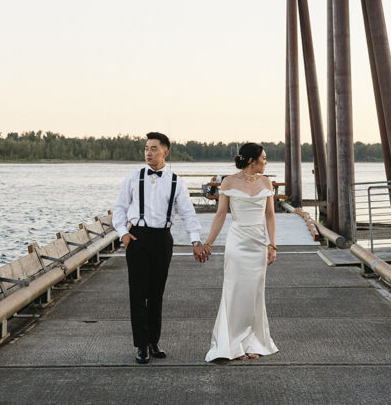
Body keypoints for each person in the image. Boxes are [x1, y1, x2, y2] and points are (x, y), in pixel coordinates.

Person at [113, 132, 211, 364]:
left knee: (156, 293)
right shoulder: (132, 177)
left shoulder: (176, 181)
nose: (149, 152)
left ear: (165, 152)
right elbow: (119, 207)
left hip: (162, 239)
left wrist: (196, 240)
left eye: (154, 148)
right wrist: (123, 233)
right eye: (146, 148)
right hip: (137, 237)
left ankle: (153, 341)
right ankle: (141, 345)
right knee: (137, 293)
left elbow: (188, 212)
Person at [203, 142, 279, 362]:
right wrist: (208, 243)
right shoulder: (228, 182)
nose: (265, 162)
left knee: (255, 293)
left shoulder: (266, 182)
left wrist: (272, 245)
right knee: (234, 290)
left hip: (258, 243)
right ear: (250, 160)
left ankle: (253, 341)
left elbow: (270, 216)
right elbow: (220, 215)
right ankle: (231, 343)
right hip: (237, 242)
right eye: (263, 158)